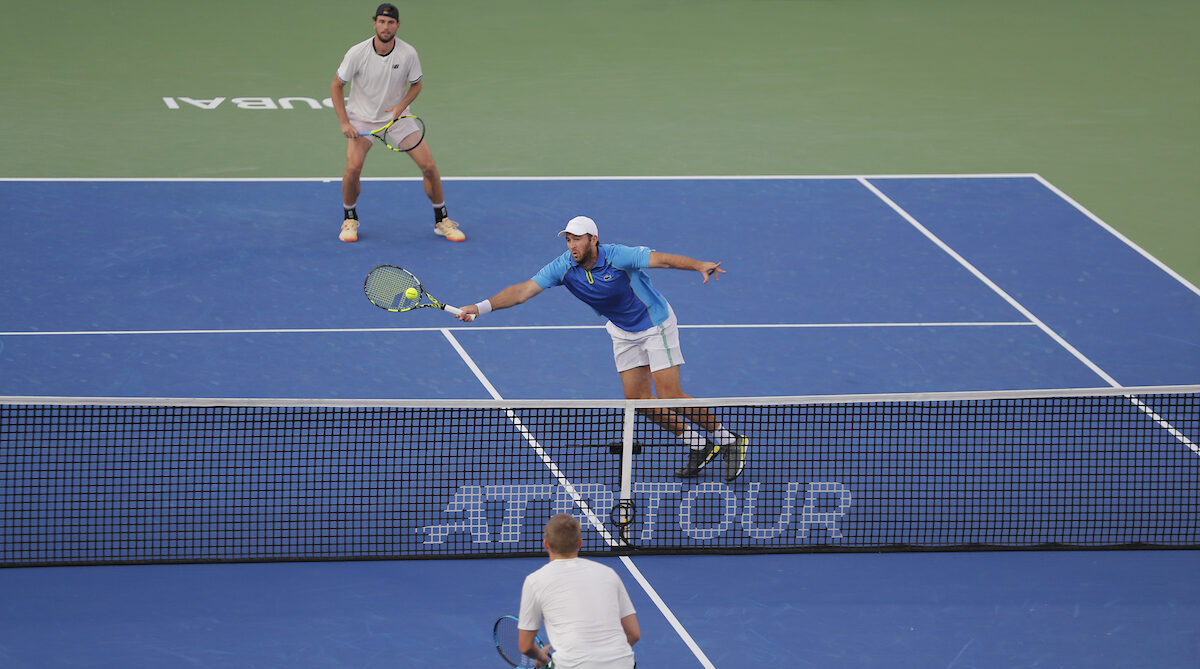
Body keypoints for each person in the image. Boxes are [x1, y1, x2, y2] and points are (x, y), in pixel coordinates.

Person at [456, 215, 748, 482]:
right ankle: (699, 444)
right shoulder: (563, 267)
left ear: (594, 239)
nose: (572, 245)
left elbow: (664, 260)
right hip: (623, 332)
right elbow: (522, 291)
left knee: (670, 395)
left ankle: (729, 439)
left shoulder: (619, 256)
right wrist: (479, 308)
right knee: (638, 401)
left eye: (578, 239)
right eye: (568, 240)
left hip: (655, 324)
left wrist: (699, 265)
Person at [330, 3, 465, 243]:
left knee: (429, 168)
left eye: (391, 22)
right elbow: (337, 85)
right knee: (353, 169)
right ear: (375, 23)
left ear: (398, 25)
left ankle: (441, 220)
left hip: (397, 119)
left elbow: (417, 84)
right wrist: (344, 122)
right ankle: (350, 219)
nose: (386, 26)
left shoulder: (408, 53)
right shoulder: (357, 53)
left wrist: (401, 106)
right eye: (382, 21)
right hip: (362, 118)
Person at [518, 513, 640, 669]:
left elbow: (525, 646)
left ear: (546, 544)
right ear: (580, 543)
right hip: (622, 663)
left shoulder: (534, 581)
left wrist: (542, 657)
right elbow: (634, 634)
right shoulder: (608, 573)